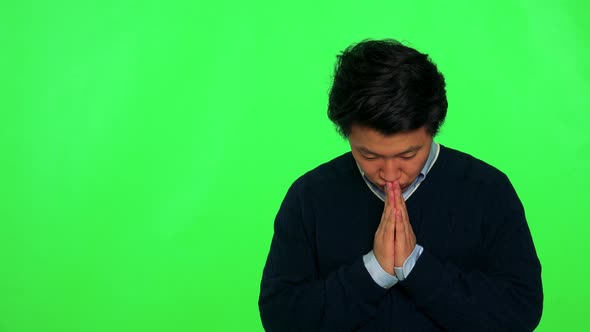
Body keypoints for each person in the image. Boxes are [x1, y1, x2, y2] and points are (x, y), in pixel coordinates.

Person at [258, 39, 543, 331]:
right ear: (347, 136)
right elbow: (280, 317)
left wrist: (416, 267)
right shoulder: (310, 196)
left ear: (433, 129)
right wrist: (374, 272)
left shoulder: (488, 190)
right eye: (369, 154)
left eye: (408, 154)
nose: (390, 174)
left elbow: (521, 311)